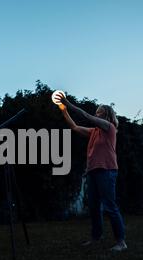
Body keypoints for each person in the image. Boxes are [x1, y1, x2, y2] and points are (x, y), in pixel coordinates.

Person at [54, 92, 127, 251]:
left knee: (110, 206)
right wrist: (63, 110)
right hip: (93, 171)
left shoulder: (110, 128)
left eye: (99, 111)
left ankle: (121, 242)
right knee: (94, 207)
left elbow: (86, 115)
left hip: (107, 171)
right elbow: (74, 127)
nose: (96, 113)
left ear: (106, 114)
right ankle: (96, 237)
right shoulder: (94, 131)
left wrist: (68, 103)